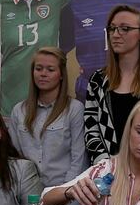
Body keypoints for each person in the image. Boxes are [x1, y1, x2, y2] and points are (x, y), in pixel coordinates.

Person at [84, 5, 140, 163]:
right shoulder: (97, 80)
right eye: (112, 29)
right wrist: (107, 165)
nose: (115, 34)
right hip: (106, 174)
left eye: (124, 28)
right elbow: (91, 129)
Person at [8, 47, 87, 187]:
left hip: (65, 193)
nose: (43, 74)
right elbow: (14, 159)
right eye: (38, 69)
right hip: (28, 195)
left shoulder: (74, 109)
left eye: (50, 70)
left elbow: (78, 160)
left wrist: (63, 195)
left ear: (61, 74)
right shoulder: (19, 111)